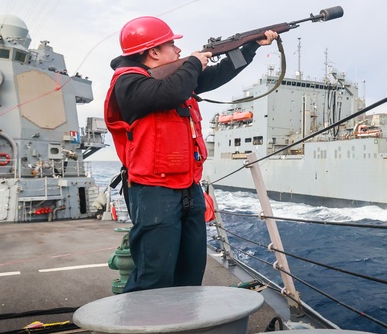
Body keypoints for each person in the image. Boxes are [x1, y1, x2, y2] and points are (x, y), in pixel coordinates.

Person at [104, 16, 276, 292]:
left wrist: (250, 47)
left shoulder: (175, 80)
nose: (178, 51)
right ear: (153, 52)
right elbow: (166, 94)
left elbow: (216, 76)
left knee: (191, 271)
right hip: (154, 191)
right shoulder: (128, 84)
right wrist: (195, 62)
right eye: (172, 45)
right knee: (154, 275)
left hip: (188, 188)